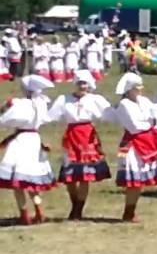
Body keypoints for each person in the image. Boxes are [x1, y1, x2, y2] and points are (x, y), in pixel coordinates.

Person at [47, 70, 112, 220]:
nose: (82, 86)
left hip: (87, 135)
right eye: (79, 83)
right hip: (71, 136)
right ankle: (75, 203)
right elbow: (50, 116)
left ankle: (78, 209)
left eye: (84, 83)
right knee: (69, 176)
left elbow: (111, 113)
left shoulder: (95, 99)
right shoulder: (64, 99)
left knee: (84, 175)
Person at [111, 73, 157, 222]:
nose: (140, 90)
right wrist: (150, 123)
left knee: (139, 182)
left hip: (147, 141)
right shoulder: (124, 104)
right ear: (129, 89)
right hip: (132, 145)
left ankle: (131, 211)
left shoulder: (143, 101)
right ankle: (128, 211)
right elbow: (134, 126)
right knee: (133, 181)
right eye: (136, 88)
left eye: (140, 87)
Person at [0, 75, 56, 225]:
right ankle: (39, 210)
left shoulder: (20, 104)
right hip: (34, 140)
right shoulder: (42, 104)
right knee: (31, 179)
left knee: (17, 181)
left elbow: (3, 118)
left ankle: (24, 214)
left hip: (21, 141)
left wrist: (6, 106)